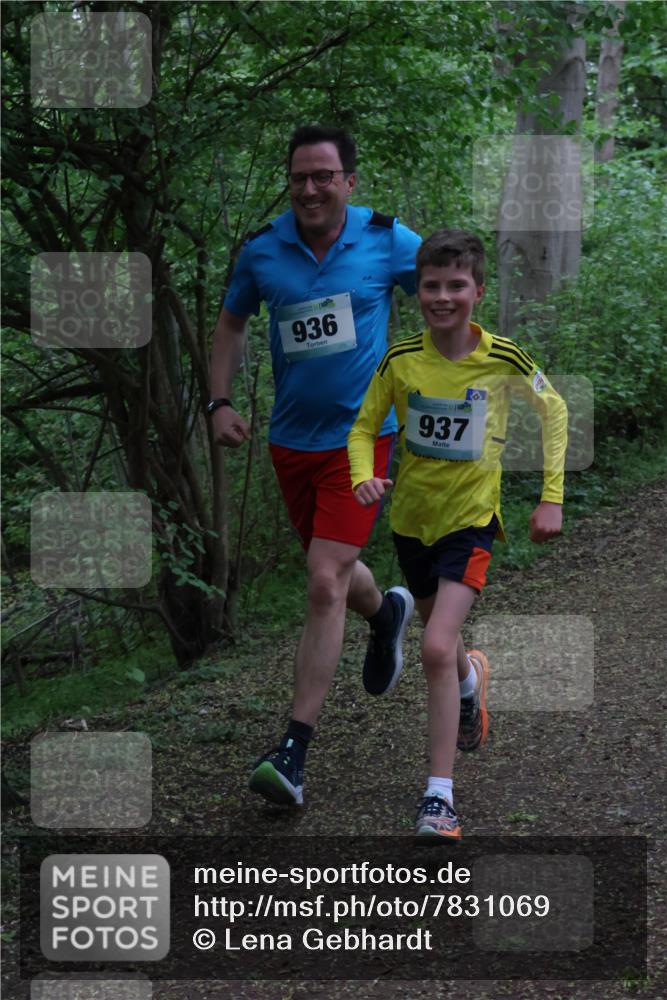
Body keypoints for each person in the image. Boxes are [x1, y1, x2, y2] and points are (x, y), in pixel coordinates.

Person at [209, 125, 421, 806]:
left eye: (323, 176)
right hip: (290, 441)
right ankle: (386, 613)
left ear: (348, 182)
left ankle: (292, 754)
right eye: (299, 177)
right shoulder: (262, 250)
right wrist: (218, 401)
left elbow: (450, 291)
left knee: (323, 579)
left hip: (364, 438)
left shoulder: (388, 239)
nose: (309, 188)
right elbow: (231, 324)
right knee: (331, 570)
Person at [348, 229, 568, 839]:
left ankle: (438, 798)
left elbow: (555, 409)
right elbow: (364, 428)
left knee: (433, 648)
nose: (442, 297)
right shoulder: (400, 360)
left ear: (478, 291)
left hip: (471, 524)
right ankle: (473, 679)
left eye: (455, 286)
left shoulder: (504, 358)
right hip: (410, 524)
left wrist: (551, 494)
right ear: (416, 290)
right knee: (443, 645)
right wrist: (363, 476)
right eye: (430, 286)